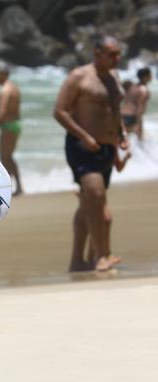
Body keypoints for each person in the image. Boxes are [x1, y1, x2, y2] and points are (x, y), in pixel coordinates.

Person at [54, 35, 128, 272]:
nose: (118, 58)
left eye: (119, 53)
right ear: (97, 53)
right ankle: (103, 256)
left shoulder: (114, 77)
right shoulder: (79, 77)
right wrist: (85, 136)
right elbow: (60, 111)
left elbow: (114, 112)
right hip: (82, 147)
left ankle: (79, 261)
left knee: (89, 203)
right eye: (113, 54)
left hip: (107, 148)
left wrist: (121, 136)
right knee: (95, 196)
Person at [0, 62, 23, 196]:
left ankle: (11, 187)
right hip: (14, 124)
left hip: (8, 126)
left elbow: (3, 111)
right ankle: (14, 186)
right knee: (7, 157)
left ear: (2, 74)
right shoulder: (13, 88)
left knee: (5, 158)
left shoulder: (5, 90)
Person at [122, 67, 152, 140]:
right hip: (133, 117)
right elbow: (140, 109)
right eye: (150, 75)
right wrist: (139, 126)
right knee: (136, 141)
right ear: (145, 77)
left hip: (122, 115)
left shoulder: (130, 86)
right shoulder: (144, 90)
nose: (151, 77)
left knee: (124, 141)